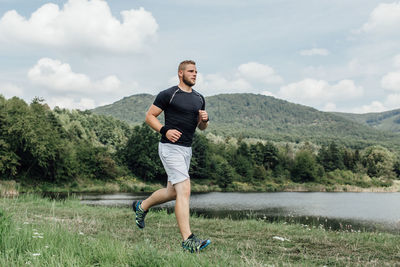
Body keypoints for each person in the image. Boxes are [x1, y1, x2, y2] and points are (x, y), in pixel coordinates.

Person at [132, 60, 211, 253]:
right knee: (184, 190)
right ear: (180, 73)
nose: (194, 74)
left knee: (173, 192)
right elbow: (150, 116)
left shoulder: (199, 98)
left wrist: (204, 121)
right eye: (191, 71)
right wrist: (164, 130)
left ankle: (141, 206)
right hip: (170, 148)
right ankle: (188, 240)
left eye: (196, 72)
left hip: (186, 150)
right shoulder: (169, 94)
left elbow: (201, 127)